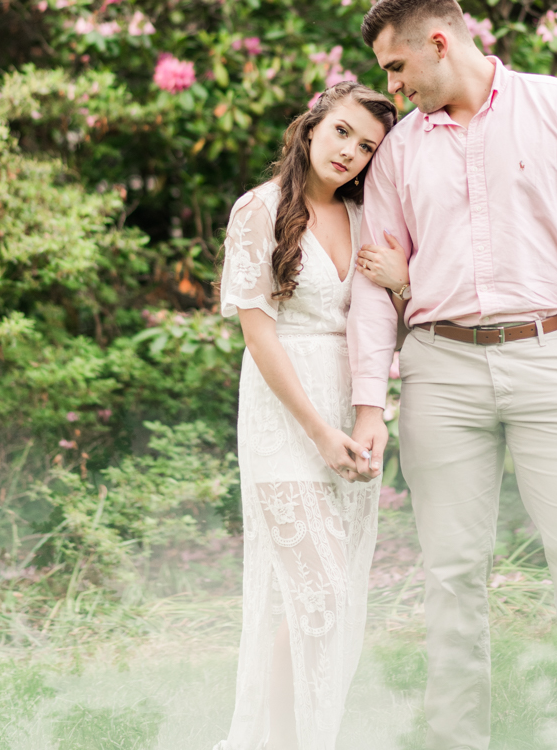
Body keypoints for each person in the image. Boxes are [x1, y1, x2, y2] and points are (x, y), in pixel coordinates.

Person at [347, 0, 557, 750]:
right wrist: (369, 402)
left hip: (554, 358)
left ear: (437, 43)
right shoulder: (400, 152)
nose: (392, 87)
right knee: (450, 574)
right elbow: (376, 284)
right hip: (439, 371)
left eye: (393, 66)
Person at [215, 80, 402, 750]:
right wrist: (318, 432)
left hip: (350, 412)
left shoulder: (364, 217)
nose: (351, 151)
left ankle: (288, 737)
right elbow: (258, 332)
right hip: (285, 417)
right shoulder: (260, 209)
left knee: (334, 600)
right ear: (314, 124)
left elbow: (385, 318)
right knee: (317, 593)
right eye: (343, 132)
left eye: (367, 146)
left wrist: (364, 414)